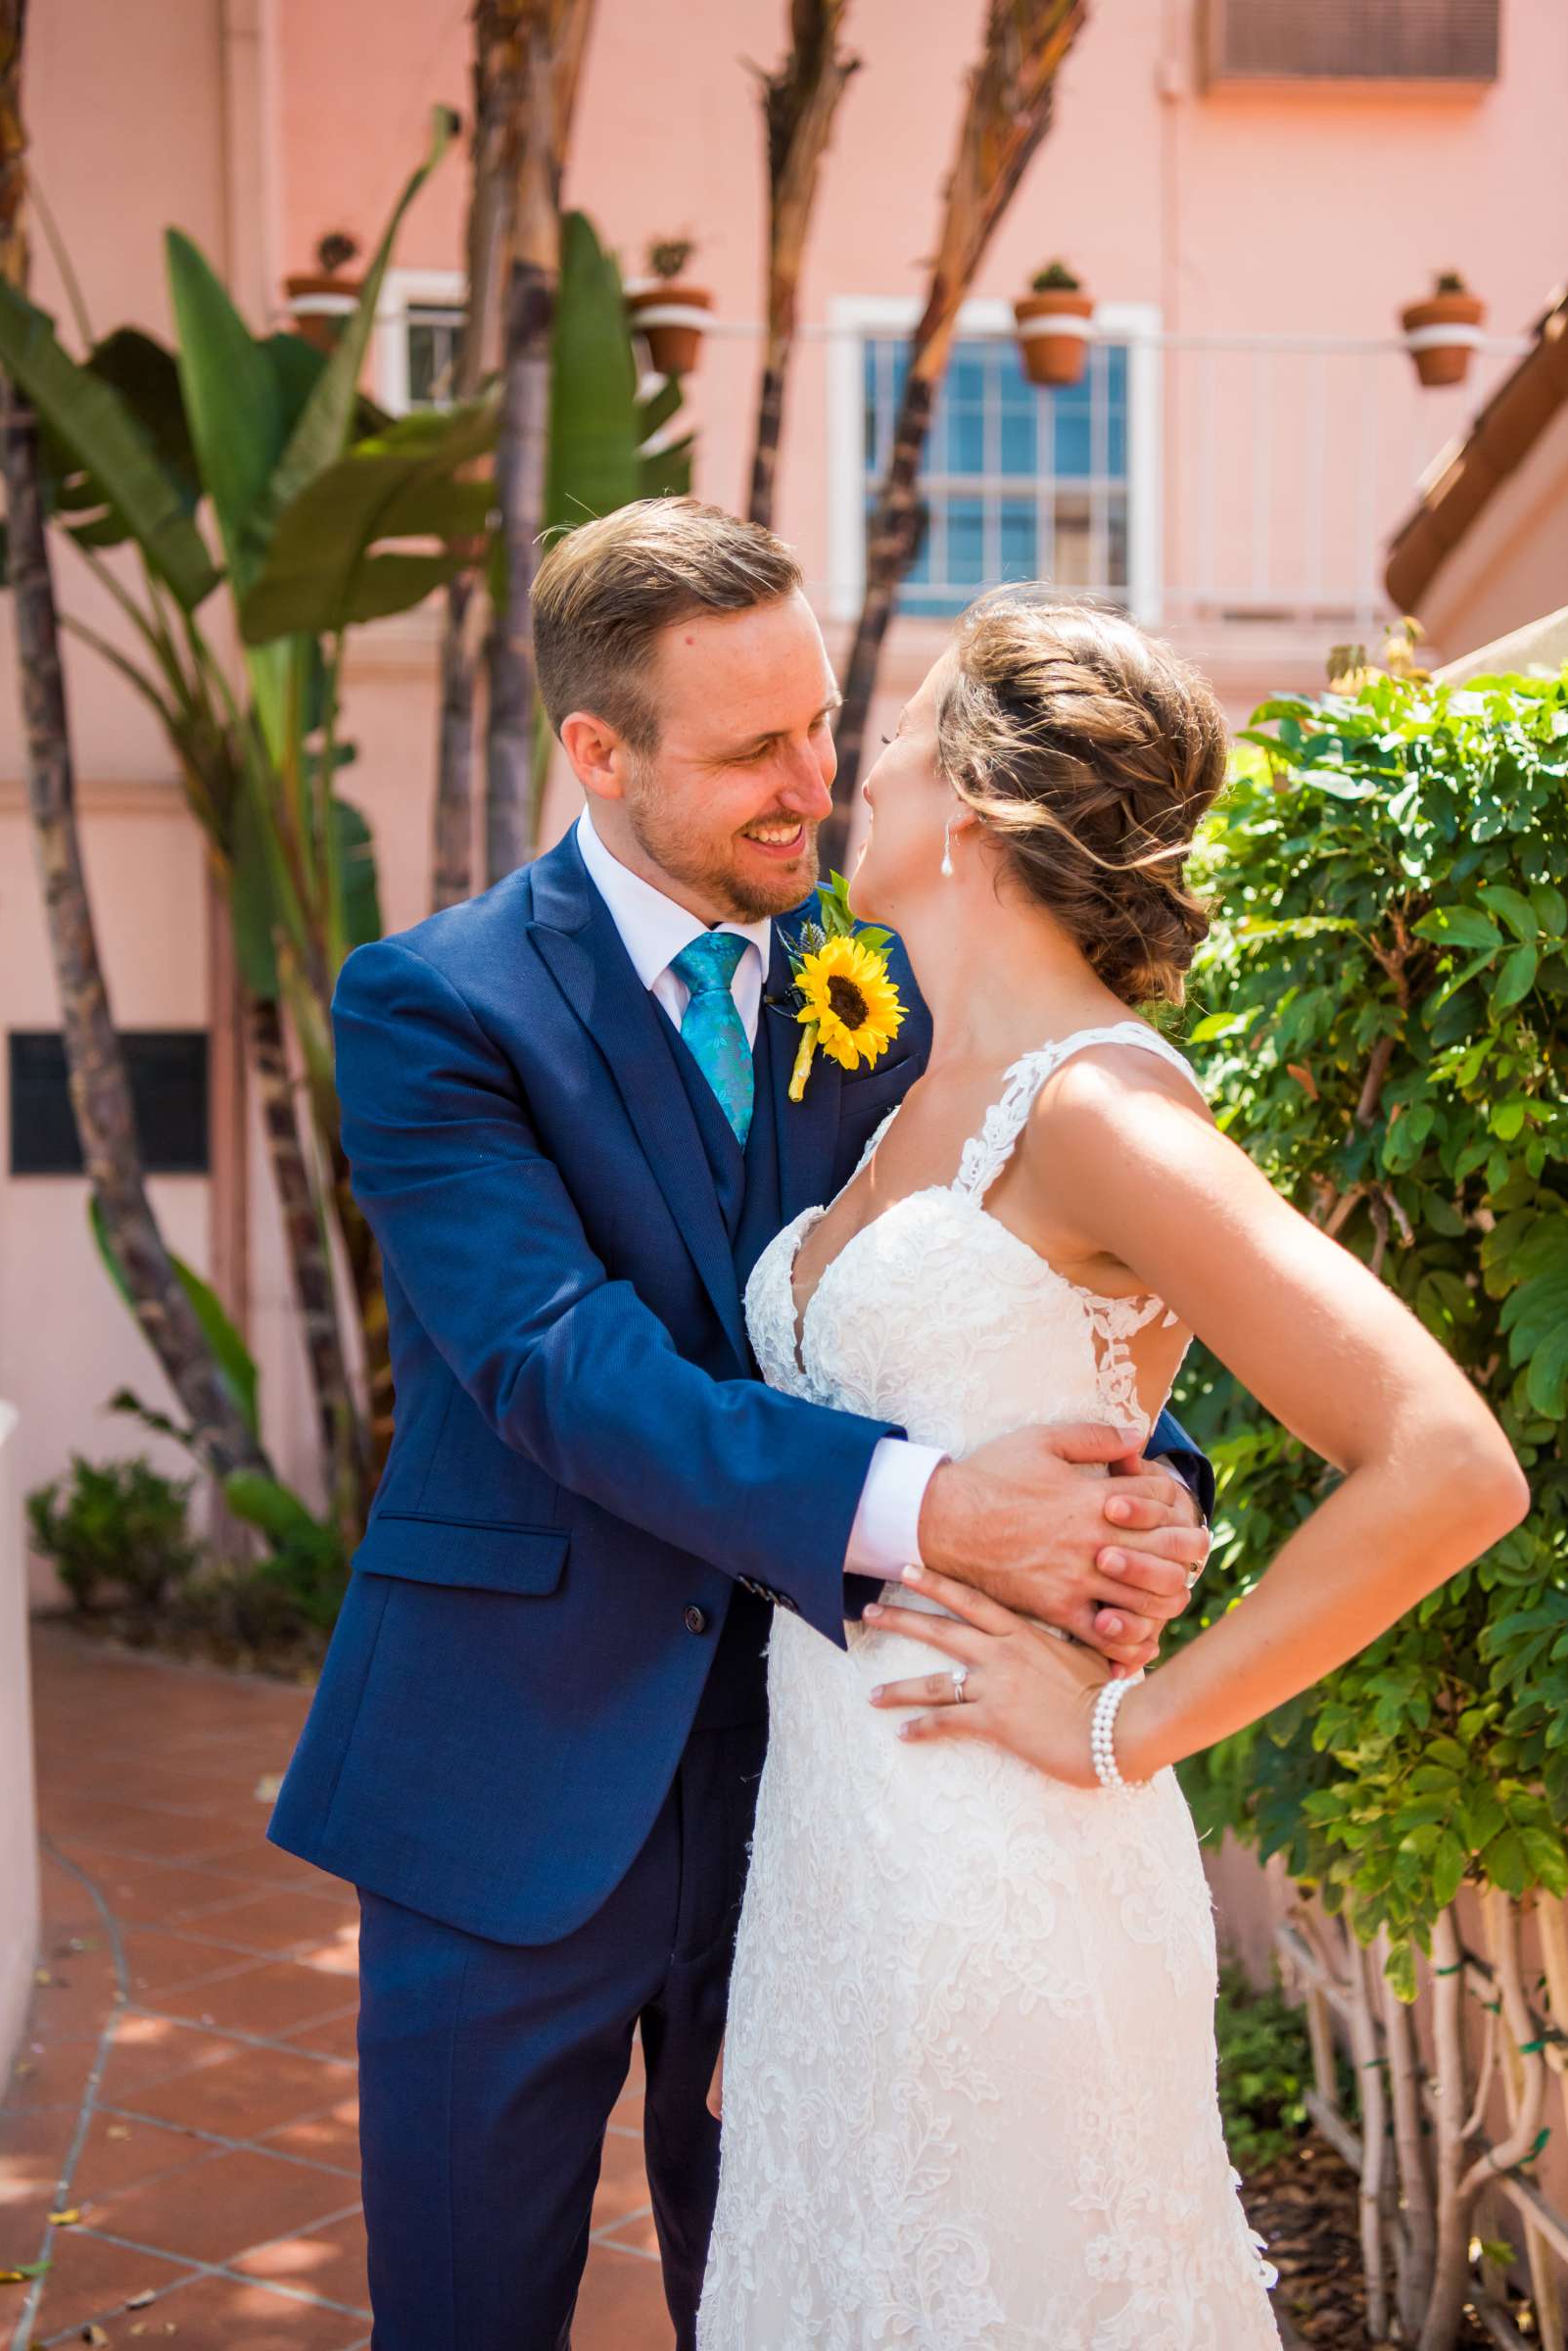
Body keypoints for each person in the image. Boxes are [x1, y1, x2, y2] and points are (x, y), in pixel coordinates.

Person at [265, 503, 1212, 2349]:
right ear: (598, 755)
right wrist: (944, 1513)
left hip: (830, 1789)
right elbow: (552, 1360)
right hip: (503, 1774)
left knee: (784, 2288)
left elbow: (1020, 1281)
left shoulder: (905, 994)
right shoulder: (433, 1005)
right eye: (746, 753)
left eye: (816, 726)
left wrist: (1136, 1497)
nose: (807, 785)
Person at [695, 583, 1529, 2349]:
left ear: (981, 804)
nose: (865, 757)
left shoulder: (1094, 1109)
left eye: (903, 728)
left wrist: (1125, 1727)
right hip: (840, 1843)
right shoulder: (913, 1086)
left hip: (1008, 1840)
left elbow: (1445, 1465)